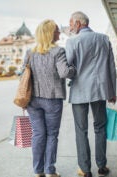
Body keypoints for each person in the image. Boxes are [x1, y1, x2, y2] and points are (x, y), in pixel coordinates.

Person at [65, 11, 117, 177]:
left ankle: (85, 170)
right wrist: (112, 91)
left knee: (81, 130)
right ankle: (102, 166)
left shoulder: (72, 41)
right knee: (100, 127)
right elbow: (111, 67)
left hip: (79, 90)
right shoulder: (104, 39)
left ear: (79, 24)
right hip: (100, 91)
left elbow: (68, 68)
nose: (70, 27)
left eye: (71, 24)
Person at [24, 19, 76, 177]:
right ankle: (49, 171)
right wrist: (73, 68)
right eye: (57, 30)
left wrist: (24, 98)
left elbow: (23, 75)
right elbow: (65, 73)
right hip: (52, 99)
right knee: (52, 134)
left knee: (38, 134)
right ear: (50, 33)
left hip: (33, 99)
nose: (59, 32)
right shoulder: (58, 52)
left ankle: (38, 170)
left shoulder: (30, 52)